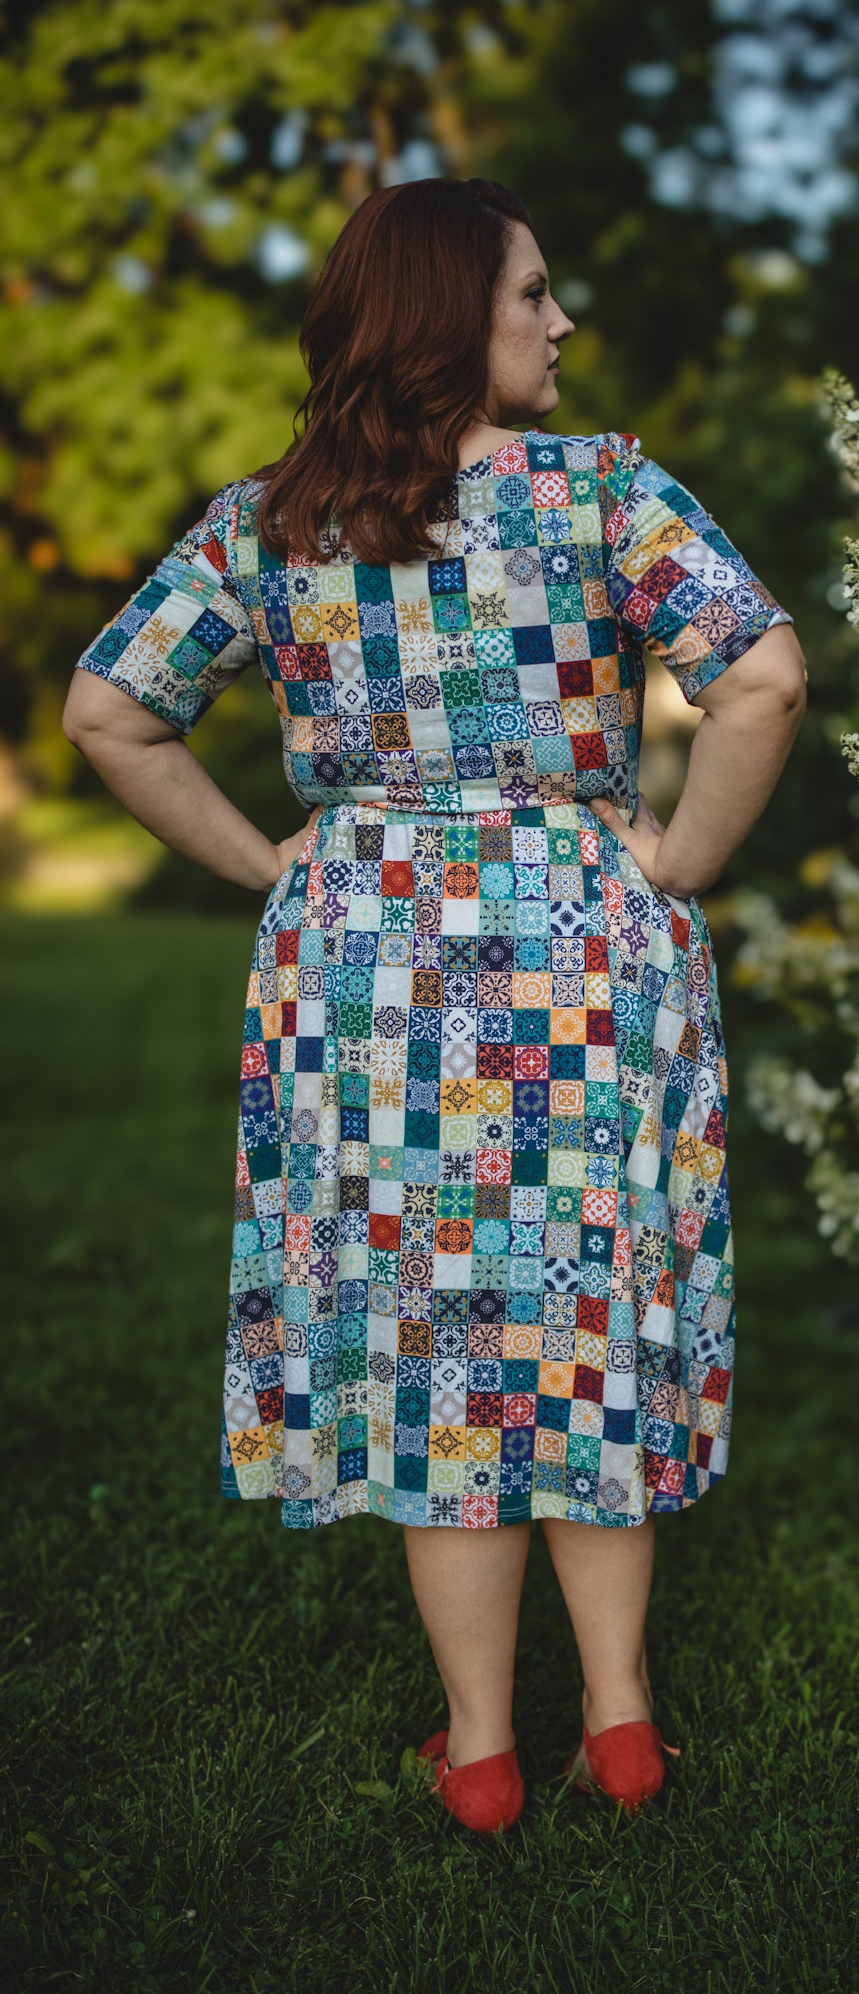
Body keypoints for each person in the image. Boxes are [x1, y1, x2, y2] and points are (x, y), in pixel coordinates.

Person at [62, 176, 806, 1837]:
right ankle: (619, 1725)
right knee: (585, 1314)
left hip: (368, 957)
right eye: (533, 291)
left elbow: (109, 713)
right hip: (579, 943)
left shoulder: (271, 522)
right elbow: (758, 675)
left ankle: (478, 1751)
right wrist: (680, 859)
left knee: (431, 1345)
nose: (561, 320)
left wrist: (270, 861)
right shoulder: (604, 492)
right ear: (447, 313)